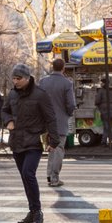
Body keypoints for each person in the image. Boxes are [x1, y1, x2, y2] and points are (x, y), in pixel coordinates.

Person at [0, 63, 59, 223]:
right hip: (17, 141)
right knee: (25, 178)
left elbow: (51, 117)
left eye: (18, 78)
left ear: (27, 78)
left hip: (33, 141)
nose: (15, 81)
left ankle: (38, 211)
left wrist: (53, 141)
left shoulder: (40, 95)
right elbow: (4, 111)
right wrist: (8, 121)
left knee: (28, 173)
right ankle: (32, 211)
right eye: (13, 78)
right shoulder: (12, 94)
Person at [37, 57, 76, 186]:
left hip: (44, 121)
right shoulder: (67, 83)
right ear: (63, 68)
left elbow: (37, 101)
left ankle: (49, 175)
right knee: (58, 148)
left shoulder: (43, 82)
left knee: (51, 148)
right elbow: (71, 104)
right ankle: (54, 177)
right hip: (60, 120)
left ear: (52, 67)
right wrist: (68, 114)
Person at [97, 79, 112, 146]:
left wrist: (99, 107)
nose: (101, 84)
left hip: (105, 110)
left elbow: (97, 101)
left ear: (103, 83)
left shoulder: (101, 91)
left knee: (108, 127)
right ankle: (103, 142)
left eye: (101, 83)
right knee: (106, 126)